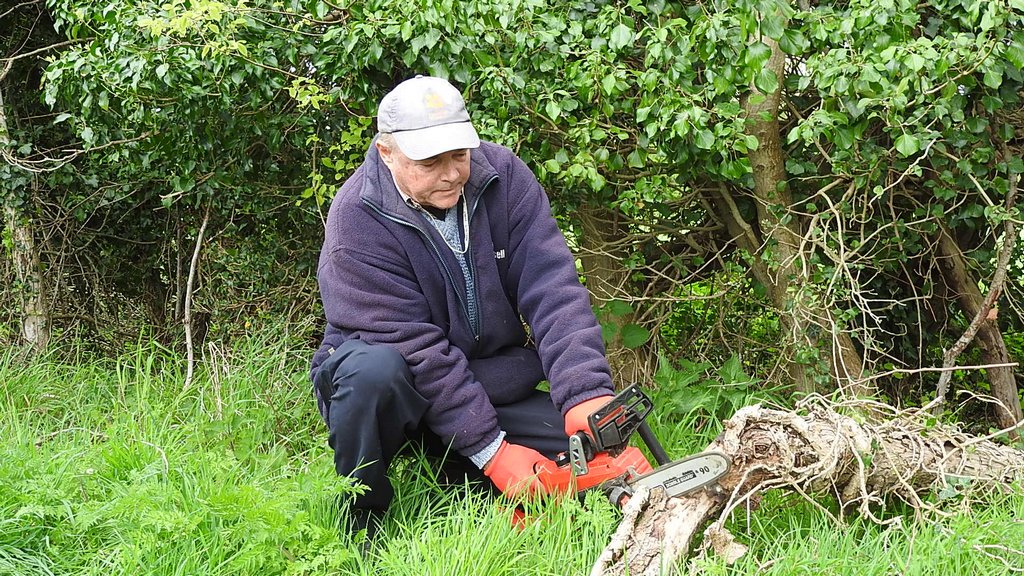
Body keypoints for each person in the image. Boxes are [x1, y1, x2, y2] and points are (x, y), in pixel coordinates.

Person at [309, 75, 614, 533]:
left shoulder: (505, 177)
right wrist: (494, 453)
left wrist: (584, 393)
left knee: (584, 459)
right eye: (430, 161)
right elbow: (416, 349)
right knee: (373, 373)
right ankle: (361, 519)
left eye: (458, 154)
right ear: (387, 152)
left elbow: (553, 288)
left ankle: (456, 468)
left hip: (482, 383)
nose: (451, 173)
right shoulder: (356, 219)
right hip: (398, 391)